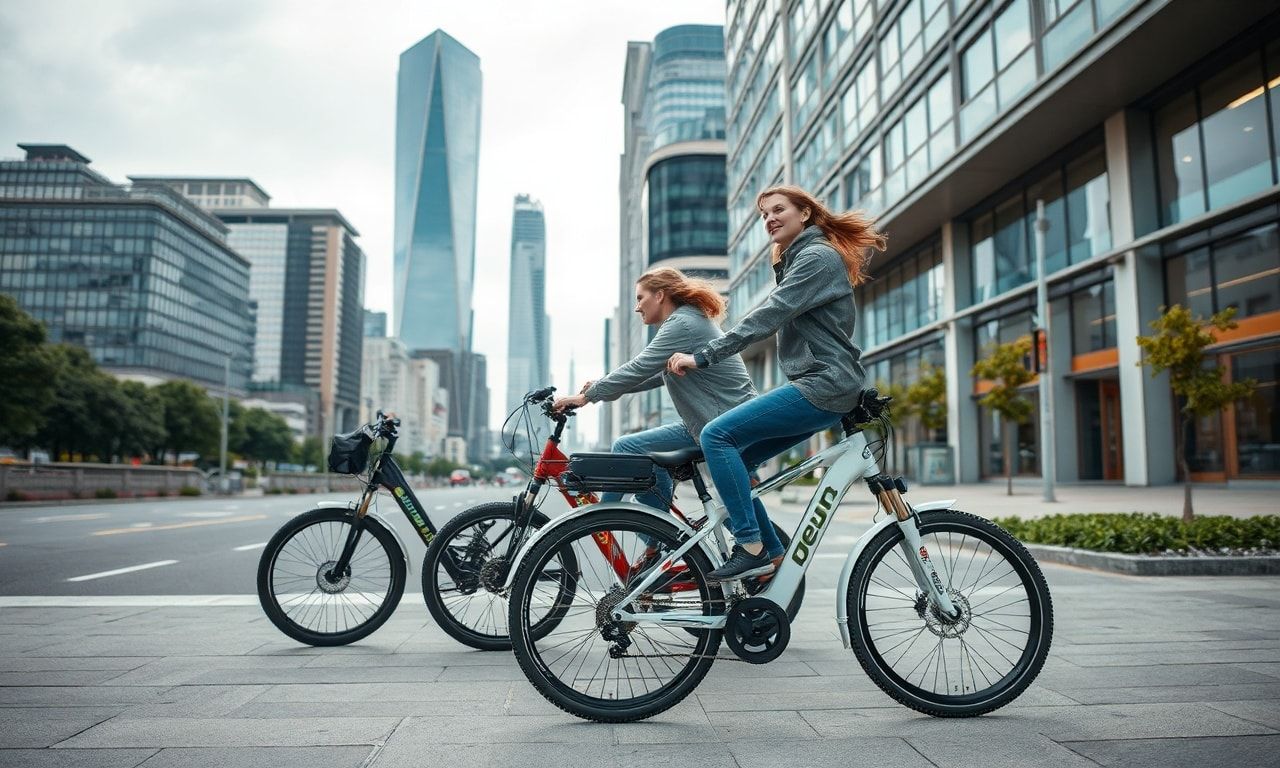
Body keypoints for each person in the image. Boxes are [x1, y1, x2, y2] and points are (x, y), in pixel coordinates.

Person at [667, 185, 887, 581]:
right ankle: (772, 556)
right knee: (737, 456)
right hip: (822, 385)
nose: (769, 219)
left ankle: (752, 546)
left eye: (778, 210)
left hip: (825, 384)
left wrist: (703, 355)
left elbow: (770, 314)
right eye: (764, 214)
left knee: (716, 436)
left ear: (804, 213)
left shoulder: (816, 257)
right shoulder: (798, 259)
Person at [553, 267, 788, 566]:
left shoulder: (682, 323)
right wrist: (600, 387)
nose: (637, 306)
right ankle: (657, 538)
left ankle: (618, 524)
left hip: (723, 423)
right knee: (630, 447)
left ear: (660, 295)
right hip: (702, 422)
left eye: (641, 298)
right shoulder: (685, 322)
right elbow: (651, 374)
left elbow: (640, 367)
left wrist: (588, 396)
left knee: (634, 451)